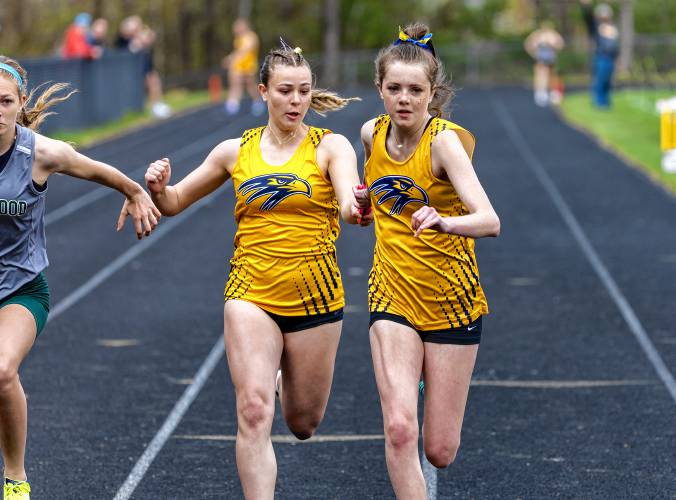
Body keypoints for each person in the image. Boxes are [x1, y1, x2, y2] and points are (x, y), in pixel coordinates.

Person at [144, 43, 370, 498]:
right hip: (251, 294)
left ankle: (287, 380)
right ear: (263, 91)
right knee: (251, 409)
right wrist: (158, 187)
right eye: (285, 91)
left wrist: (358, 206)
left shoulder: (331, 147)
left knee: (304, 423)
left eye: (304, 91)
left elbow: (349, 202)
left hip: (315, 299)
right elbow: (175, 202)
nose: (296, 101)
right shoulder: (235, 151)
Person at [0, 56, 160, 500]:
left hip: (21, 289)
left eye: (5, 101)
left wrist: (133, 191)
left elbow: (96, 168)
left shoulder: (41, 153)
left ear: (20, 103)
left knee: (1, 370)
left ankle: (14, 478)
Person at [358, 23, 500, 499]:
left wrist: (445, 221)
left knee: (440, 449)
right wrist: (362, 205)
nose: (404, 98)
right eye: (394, 88)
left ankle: (425, 374)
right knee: (400, 428)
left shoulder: (444, 144)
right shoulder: (370, 135)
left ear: (431, 93)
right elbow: (377, 196)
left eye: (415, 90)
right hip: (392, 292)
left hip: (451, 300)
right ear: (379, 88)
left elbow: (489, 219)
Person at [580, 0, 620, 108]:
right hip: (602, 57)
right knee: (600, 80)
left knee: (608, 81)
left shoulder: (612, 27)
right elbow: (588, 18)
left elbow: (615, 44)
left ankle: (606, 101)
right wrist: (586, 6)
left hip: (611, 58)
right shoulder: (596, 27)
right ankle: (599, 102)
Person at [222, 18, 265, 116]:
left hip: (249, 65)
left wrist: (231, 58)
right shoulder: (238, 38)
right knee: (235, 83)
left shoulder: (251, 37)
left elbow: (245, 50)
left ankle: (257, 102)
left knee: (250, 85)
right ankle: (233, 103)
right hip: (238, 65)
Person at [524, 21, 565, 107]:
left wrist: (554, 46)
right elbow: (528, 44)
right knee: (541, 75)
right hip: (541, 58)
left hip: (550, 58)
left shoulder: (553, 35)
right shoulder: (537, 34)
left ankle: (554, 93)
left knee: (553, 75)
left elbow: (561, 44)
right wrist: (534, 53)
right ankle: (540, 93)